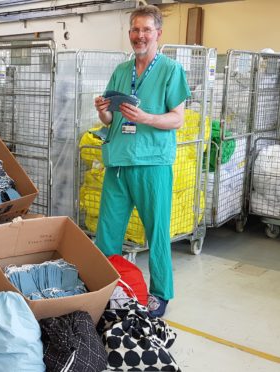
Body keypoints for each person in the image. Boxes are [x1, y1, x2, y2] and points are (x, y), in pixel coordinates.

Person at [94, 5, 190, 318]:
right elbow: (110, 120)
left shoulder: (171, 70)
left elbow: (177, 119)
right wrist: (102, 110)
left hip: (152, 164)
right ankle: (106, 286)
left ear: (158, 34)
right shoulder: (122, 71)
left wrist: (146, 117)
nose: (140, 36)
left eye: (146, 30)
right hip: (119, 162)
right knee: (107, 231)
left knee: (157, 232)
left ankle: (160, 293)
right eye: (135, 30)